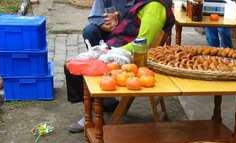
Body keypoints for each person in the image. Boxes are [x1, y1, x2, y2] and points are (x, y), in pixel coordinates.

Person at [66, 0, 174, 133]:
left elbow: (142, 44)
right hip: (119, 46)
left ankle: (92, 113)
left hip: (128, 57)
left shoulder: (154, 7)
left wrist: (109, 51)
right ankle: (102, 104)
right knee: (73, 64)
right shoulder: (147, 3)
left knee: (74, 68)